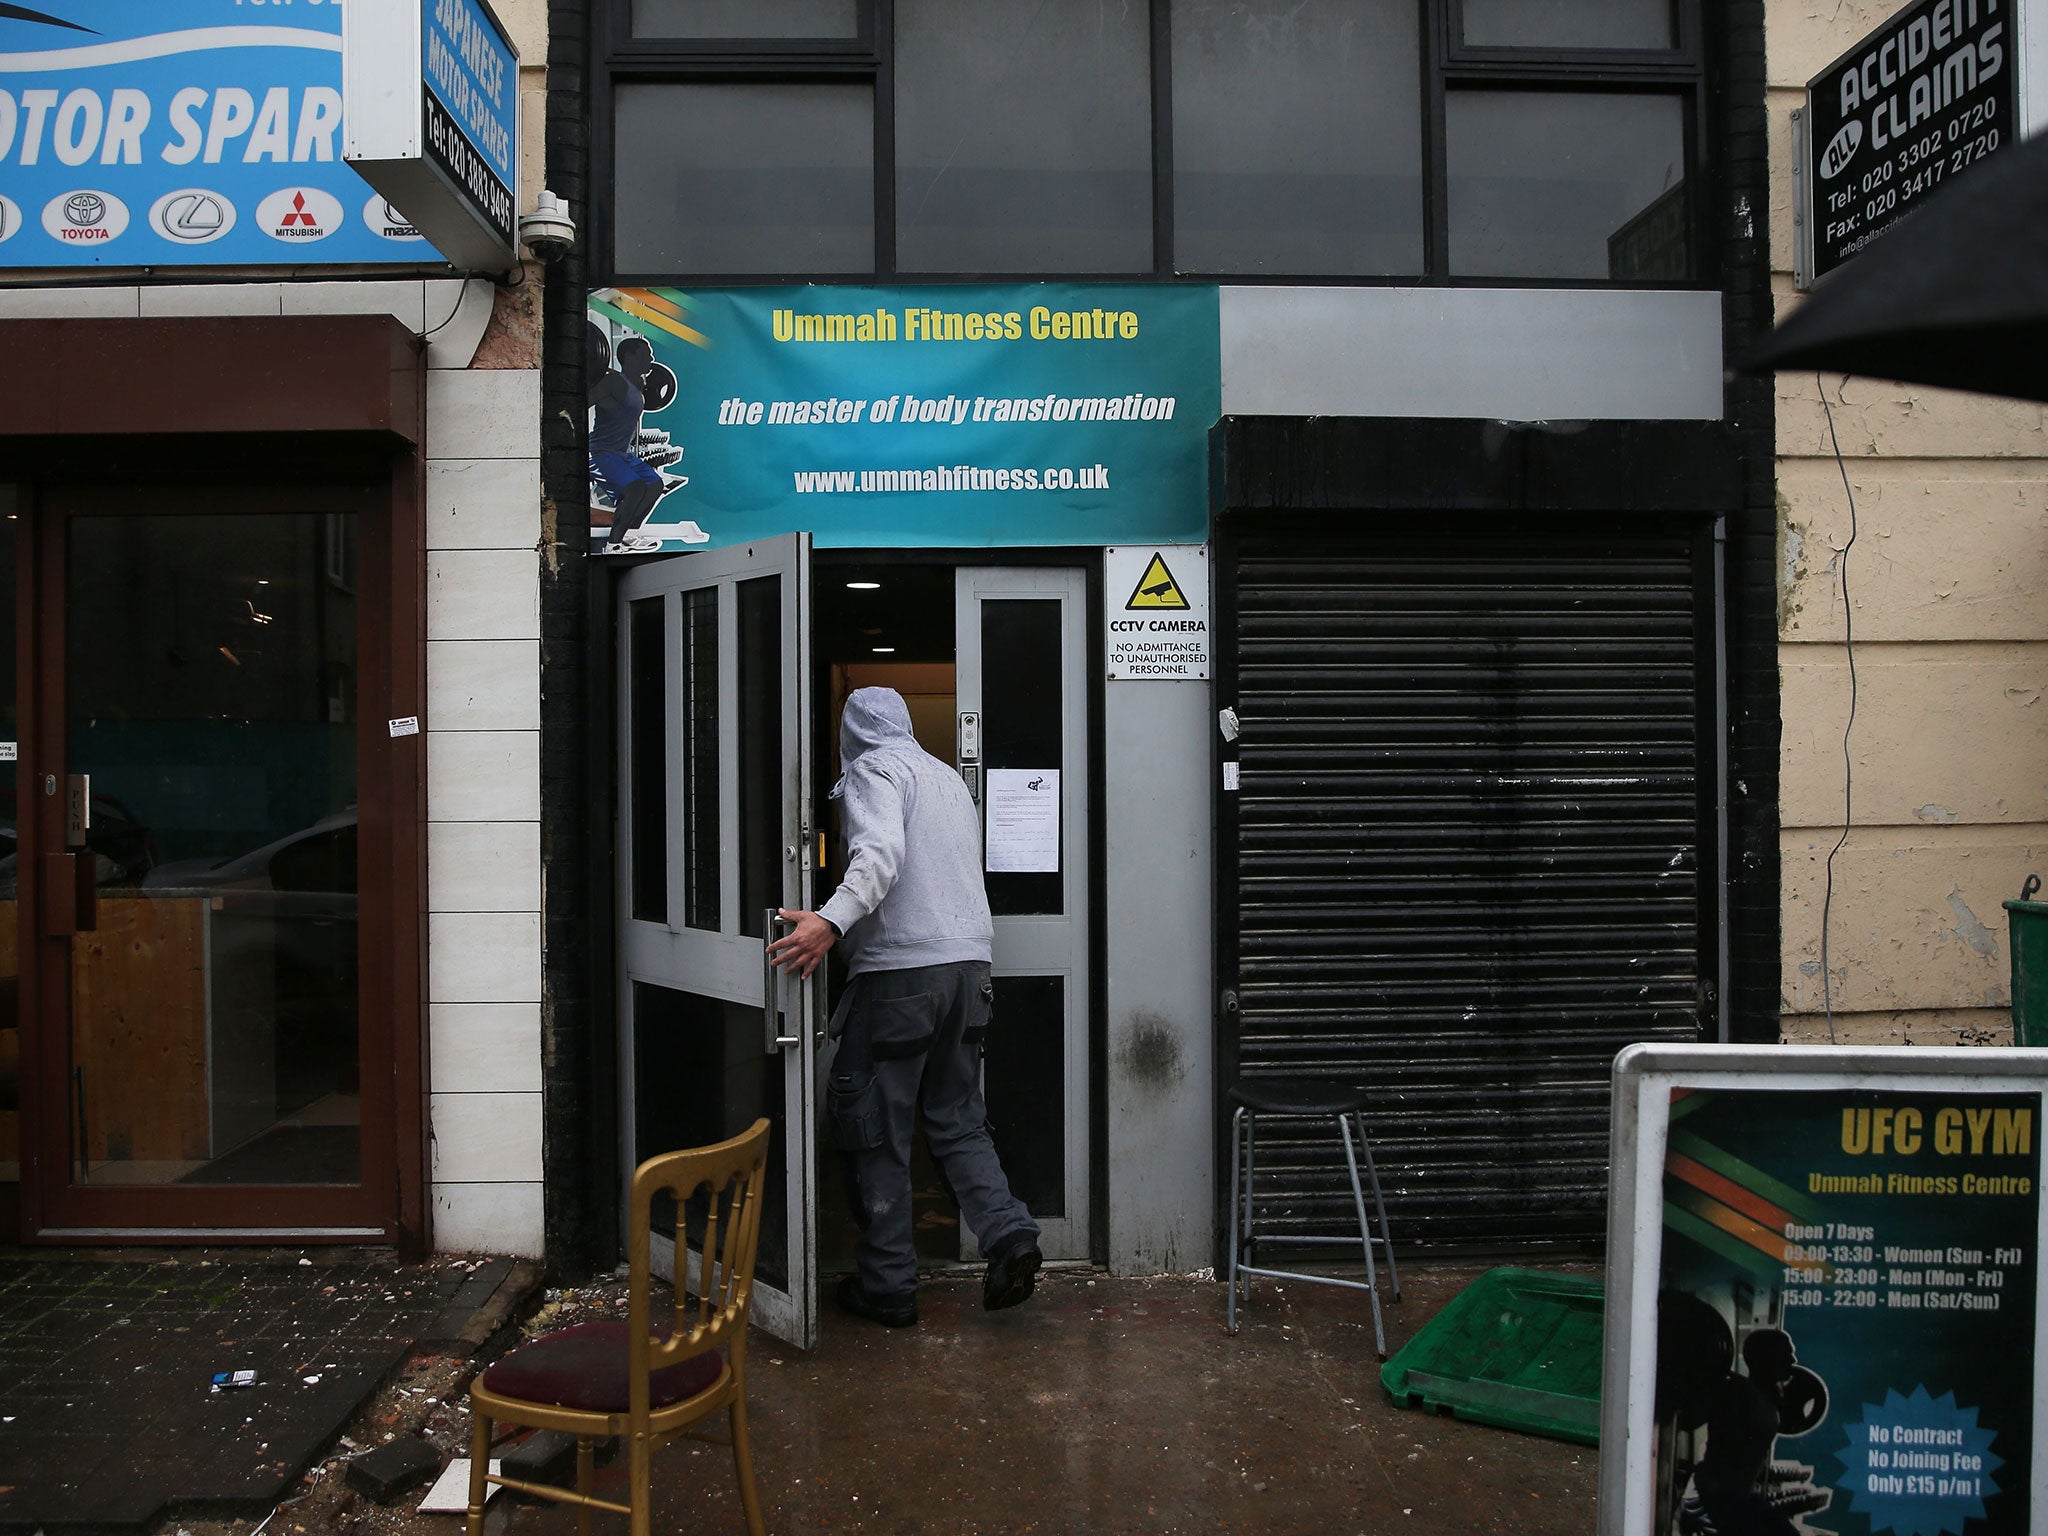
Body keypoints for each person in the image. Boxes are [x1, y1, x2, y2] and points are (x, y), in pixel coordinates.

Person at [768, 686, 1042, 1327]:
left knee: (875, 1129)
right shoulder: (948, 778)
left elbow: (880, 854)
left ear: (852, 732)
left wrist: (829, 924)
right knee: (957, 1118)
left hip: (900, 977)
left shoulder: (872, 770)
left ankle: (888, 1286)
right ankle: (1008, 1238)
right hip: (969, 971)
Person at [588, 334, 683, 552]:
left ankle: (628, 534)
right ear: (630, 357)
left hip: (621, 454)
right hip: (600, 452)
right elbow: (583, 400)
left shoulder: (637, 385)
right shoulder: (613, 382)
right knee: (634, 489)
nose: (651, 358)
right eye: (646, 354)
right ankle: (612, 545)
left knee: (654, 485)